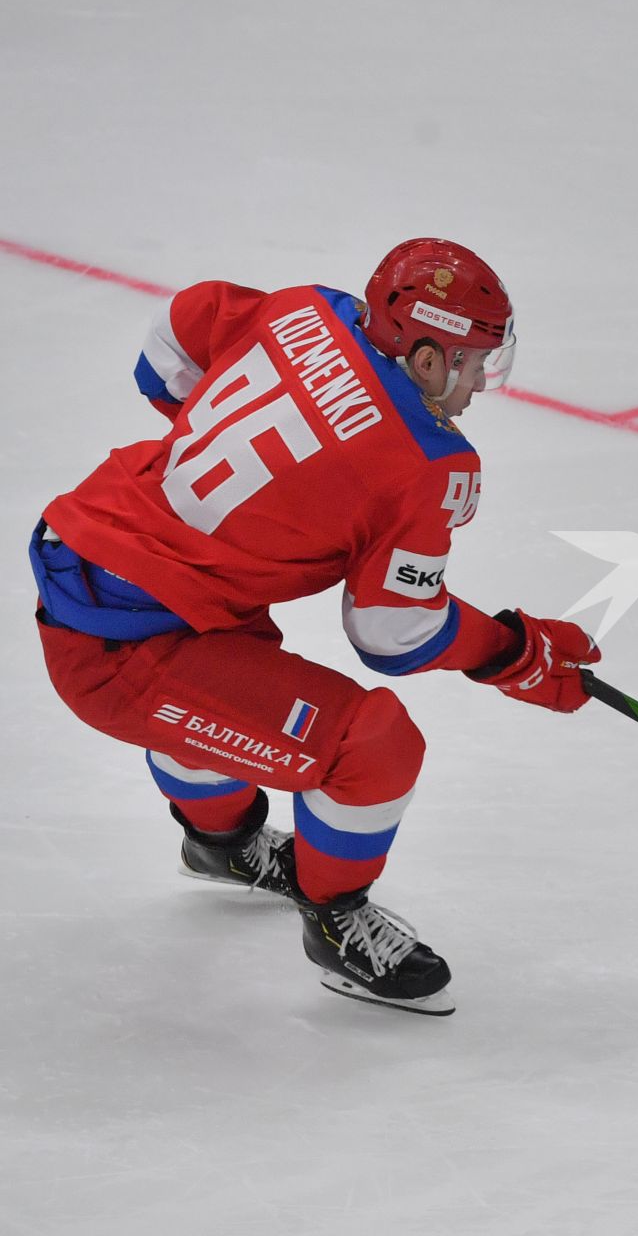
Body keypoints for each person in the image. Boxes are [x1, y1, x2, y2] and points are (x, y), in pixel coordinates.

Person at [29, 238, 599, 1016]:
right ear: (427, 358)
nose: (476, 386)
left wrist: (244, 470)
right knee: (374, 746)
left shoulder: (308, 309)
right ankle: (335, 923)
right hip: (126, 647)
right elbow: (394, 633)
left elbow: (167, 344)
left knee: (232, 673)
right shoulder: (429, 461)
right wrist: (509, 653)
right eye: (469, 364)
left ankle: (221, 846)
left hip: (97, 553)